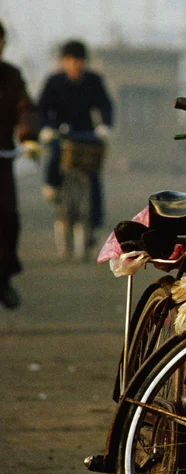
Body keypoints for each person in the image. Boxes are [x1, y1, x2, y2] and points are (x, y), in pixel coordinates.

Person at [38, 40, 113, 239]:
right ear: (64, 62)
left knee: (93, 175)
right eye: (71, 61)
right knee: (55, 154)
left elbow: (105, 105)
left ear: (84, 62)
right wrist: (46, 128)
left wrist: (105, 126)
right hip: (59, 132)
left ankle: (94, 221)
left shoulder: (93, 81)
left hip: (86, 132)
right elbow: (43, 109)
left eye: (79, 61)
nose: (75, 65)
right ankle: (51, 185)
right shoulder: (53, 82)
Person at [0, 20, 39, 309]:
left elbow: (25, 108)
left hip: (3, 158)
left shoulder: (11, 76)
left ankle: (3, 278)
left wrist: (28, 138)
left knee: (8, 217)